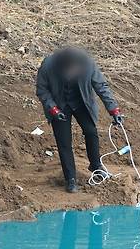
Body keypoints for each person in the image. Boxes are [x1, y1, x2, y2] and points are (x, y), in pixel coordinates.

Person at [36, 47, 125, 193]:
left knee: (91, 132)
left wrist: (114, 110)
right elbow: (42, 90)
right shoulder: (48, 65)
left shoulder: (88, 63)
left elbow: (101, 86)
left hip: (82, 103)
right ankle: (70, 178)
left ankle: (96, 166)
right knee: (64, 142)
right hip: (59, 105)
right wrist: (53, 109)